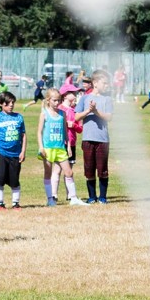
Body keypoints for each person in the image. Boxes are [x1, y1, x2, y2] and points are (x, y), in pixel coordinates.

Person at [36, 88, 83, 207]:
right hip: (48, 148)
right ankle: (50, 199)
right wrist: (41, 147)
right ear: (48, 100)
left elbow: (65, 131)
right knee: (48, 173)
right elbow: (39, 132)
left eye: (59, 100)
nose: (57, 103)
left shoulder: (62, 114)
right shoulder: (44, 114)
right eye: (55, 100)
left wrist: (68, 146)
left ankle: (73, 198)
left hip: (61, 148)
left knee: (69, 172)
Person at [75, 70, 114, 204]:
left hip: (102, 139)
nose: (107, 85)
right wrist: (88, 111)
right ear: (95, 83)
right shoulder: (85, 98)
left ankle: (103, 197)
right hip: (88, 138)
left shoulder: (107, 99)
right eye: (105, 83)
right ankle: (92, 197)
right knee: (89, 168)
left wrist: (96, 111)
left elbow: (109, 117)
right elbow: (76, 116)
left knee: (102, 168)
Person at [0, 91, 26, 211]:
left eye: (13, 102)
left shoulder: (19, 117)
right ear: (1, 104)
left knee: (15, 180)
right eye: (8, 103)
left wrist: (23, 151)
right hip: (2, 153)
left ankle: (16, 203)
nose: (11, 105)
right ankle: (0, 203)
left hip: (16, 154)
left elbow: (23, 135)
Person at [58, 86, 88, 205]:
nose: (75, 94)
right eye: (72, 92)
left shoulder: (74, 110)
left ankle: (70, 195)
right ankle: (53, 196)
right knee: (58, 170)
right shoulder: (59, 109)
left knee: (69, 170)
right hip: (61, 143)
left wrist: (73, 125)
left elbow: (80, 129)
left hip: (72, 143)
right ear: (65, 95)